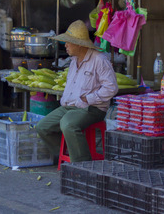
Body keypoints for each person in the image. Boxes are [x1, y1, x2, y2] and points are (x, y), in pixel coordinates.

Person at [36, 20, 118, 163]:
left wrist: (91, 98)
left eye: (69, 42)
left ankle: (82, 164)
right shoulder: (73, 61)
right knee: (42, 127)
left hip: (92, 108)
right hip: (71, 106)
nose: (65, 45)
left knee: (68, 124)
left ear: (79, 44)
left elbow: (112, 88)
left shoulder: (99, 60)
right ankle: (65, 153)